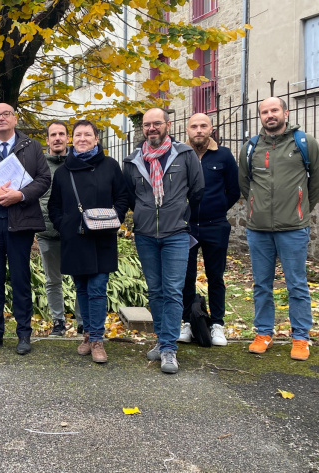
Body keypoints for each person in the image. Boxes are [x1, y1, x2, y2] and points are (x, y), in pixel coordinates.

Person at [238, 97, 319, 361]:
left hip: (293, 228)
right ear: (261, 117)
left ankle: (300, 337)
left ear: (285, 113)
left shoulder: (303, 143)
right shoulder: (251, 147)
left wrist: (298, 209)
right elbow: (245, 184)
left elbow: (318, 181)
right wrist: (257, 209)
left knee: (296, 284)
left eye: (274, 110)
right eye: (264, 112)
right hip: (259, 228)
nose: (270, 115)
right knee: (261, 284)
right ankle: (263, 332)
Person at [123, 108, 204, 374]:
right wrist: (145, 214)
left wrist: (179, 213)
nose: (152, 128)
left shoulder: (185, 154)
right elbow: (131, 195)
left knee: (172, 290)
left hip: (176, 235)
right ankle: (161, 338)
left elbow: (197, 189)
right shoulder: (133, 160)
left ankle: (169, 348)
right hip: (145, 234)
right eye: (147, 125)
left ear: (168, 125)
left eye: (157, 123)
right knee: (155, 290)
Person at [0, 103, 51, 355]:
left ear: (15, 119)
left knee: (20, 280)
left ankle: (24, 333)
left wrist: (21, 195)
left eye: (6, 114)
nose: (1, 118)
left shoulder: (32, 147)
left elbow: (44, 179)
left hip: (20, 223)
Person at [48, 120, 128, 363]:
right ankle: (87, 334)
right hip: (75, 238)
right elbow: (55, 205)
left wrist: (115, 219)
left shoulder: (110, 166)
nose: (82, 138)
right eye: (78, 134)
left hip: (102, 237)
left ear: (96, 138)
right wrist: (65, 225)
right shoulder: (64, 172)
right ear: (73, 139)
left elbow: (123, 197)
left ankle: (97, 339)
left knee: (97, 289)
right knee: (81, 288)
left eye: (87, 134)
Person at [178, 113, 240, 347]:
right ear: (187, 130)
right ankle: (186, 322)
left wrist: (218, 209)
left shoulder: (223, 155)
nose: (199, 130)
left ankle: (217, 325)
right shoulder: (180, 155)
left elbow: (234, 190)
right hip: (187, 227)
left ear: (211, 129)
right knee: (186, 277)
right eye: (194, 126)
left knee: (216, 277)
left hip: (216, 226)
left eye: (203, 125)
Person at [37, 120, 82, 337]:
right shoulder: (39, 166)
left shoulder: (77, 162)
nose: (57, 138)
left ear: (67, 138)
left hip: (74, 233)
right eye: (53, 134)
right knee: (52, 280)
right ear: (47, 140)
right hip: (47, 233)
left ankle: (83, 321)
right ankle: (58, 322)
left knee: (80, 278)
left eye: (61, 134)